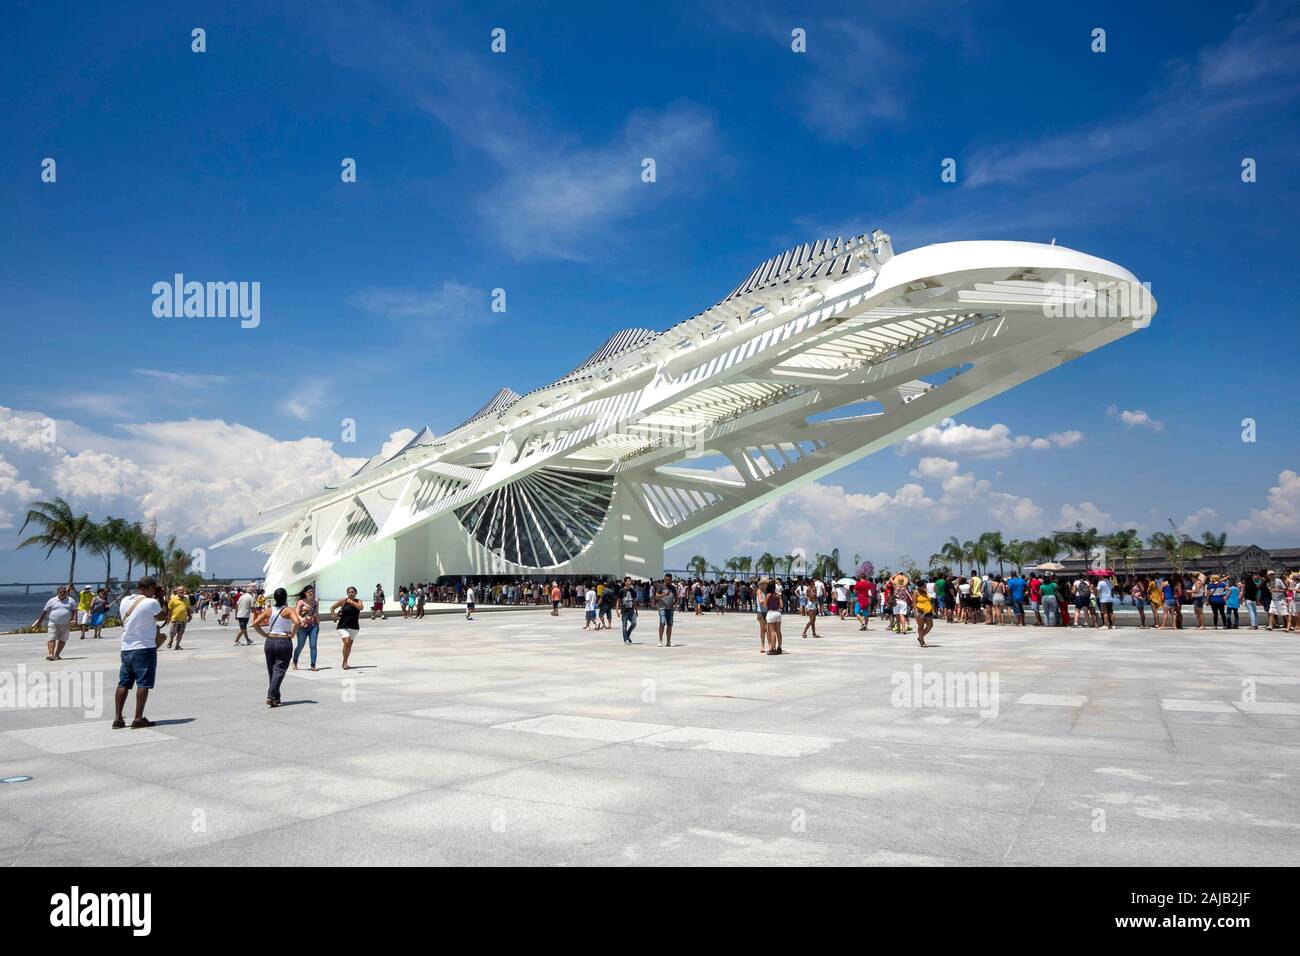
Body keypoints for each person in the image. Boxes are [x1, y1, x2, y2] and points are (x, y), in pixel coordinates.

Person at [113, 577, 167, 729]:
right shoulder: (151, 602)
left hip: (126, 647)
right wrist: (162, 597)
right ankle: (138, 718)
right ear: (149, 588)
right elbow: (163, 616)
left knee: (123, 682)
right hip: (144, 647)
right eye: (154, 588)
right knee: (143, 683)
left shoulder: (125, 601)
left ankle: (118, 718)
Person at [253, 588, 302, 708]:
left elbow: (255, 624)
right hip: (283, 641)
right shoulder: (288, 610)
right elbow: (297, 623)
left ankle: (275, 698)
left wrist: (265, 635)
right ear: (285, 598)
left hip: (270, 641)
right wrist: (293, 634)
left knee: (273, 671)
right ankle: (270, 695)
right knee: (279, 670)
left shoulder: (269, 610)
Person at [33, 584, 77, 661]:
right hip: (53, 623)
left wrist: (74, 620)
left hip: (65, 623)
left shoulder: (71, 600)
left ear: (66, 592)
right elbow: (44, 612)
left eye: (64, 592)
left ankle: (57, 654)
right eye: (61, 592)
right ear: (57, 592)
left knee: (62, 640)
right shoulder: (51, 600)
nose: (62, 593)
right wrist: (39, 622)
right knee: (51, 638)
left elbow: (74, 611)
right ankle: (51, 654)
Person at [331, 586, 364, 669]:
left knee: (349, 645)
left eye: (352, 592)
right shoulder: (343, 601)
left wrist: (352, 603)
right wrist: (333, 616)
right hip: (343, 625)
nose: (351, 593)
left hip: (354, 626)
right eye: (349, 592)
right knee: (346, 641)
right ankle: (345, 662)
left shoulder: (358, 601)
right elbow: (332, 607)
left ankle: (344, 661)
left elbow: (361, 607)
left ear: (356, 593)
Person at [292, 585, 319, 671]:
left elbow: (317, 612)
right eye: (309, 592)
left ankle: (313, 665)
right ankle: (295, 662)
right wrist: (302, 619)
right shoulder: (301, 602)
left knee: (313, 646)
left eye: (312, 591)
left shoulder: (316, 601)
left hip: (313, 626)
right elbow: (296, 614)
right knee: (300, 646)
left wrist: (318, 621)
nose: (311, 593)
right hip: (302, 627)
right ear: (305, 593)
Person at [763, 580, 784, 655]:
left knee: (772, 631)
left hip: (771, 613)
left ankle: (773, 648)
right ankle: (779, 647)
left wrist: (766, 598)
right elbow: (781, 606)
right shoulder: (778, 595)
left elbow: (764, 605)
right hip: (778, 613)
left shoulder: (768, 595)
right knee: (778, 631)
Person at [655, 573, 676, 647]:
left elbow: (676, 597)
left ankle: (668, 641)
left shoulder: (673, 588)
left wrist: (676, 605)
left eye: (669, 580)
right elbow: (656, 596)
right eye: (666, 580)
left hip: (670, 608)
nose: (668, 581)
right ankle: (660, 639)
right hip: (662, 608)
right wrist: (664, 594)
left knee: (670, 625)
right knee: (662, 623)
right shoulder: (661, 587)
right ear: (664, 579)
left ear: (671, 580)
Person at [618, 576, 638, 644]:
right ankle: (625, 639)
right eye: (628, 581)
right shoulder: (621, 591)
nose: (630, 582)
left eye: (630, 581)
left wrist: (636, 610)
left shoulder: (633, 591)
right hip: (624, 611)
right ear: (625, 582)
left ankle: (627, 635)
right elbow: (618, 600)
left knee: (634, 624)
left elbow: (635, 601)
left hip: (631, 611)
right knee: (624, 626)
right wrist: (617, 610)